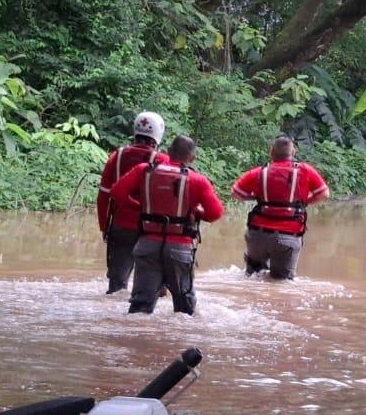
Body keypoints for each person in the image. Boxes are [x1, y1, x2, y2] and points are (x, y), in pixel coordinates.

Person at [109, 135, 224, 315]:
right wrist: (195, 213)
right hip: (180, 248)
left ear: (168, 152)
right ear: (192, 158)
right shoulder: (198, 180)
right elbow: (215, 213)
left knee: (140, 307)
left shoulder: (143, 170)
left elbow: (117, 192)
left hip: (147, 245)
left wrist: (139, 207)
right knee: (184, 309)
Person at [230, 135, 330, 280]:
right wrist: (303, 202)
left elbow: (236, 193)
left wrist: (254, 198)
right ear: (293, 152)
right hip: (288, 236)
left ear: (271, 152)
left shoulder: (260, 172)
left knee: (253, 277)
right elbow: (324, 194)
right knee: (282, 283)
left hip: (257, 235)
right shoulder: (305, 170)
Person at [96, 111, 165, 293]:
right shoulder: (162, 161)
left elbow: (103, 196)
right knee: (154, 287)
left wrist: (104, 227)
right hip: (151, 229)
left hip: (120, 226)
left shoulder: (116, 157)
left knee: (116, 287)